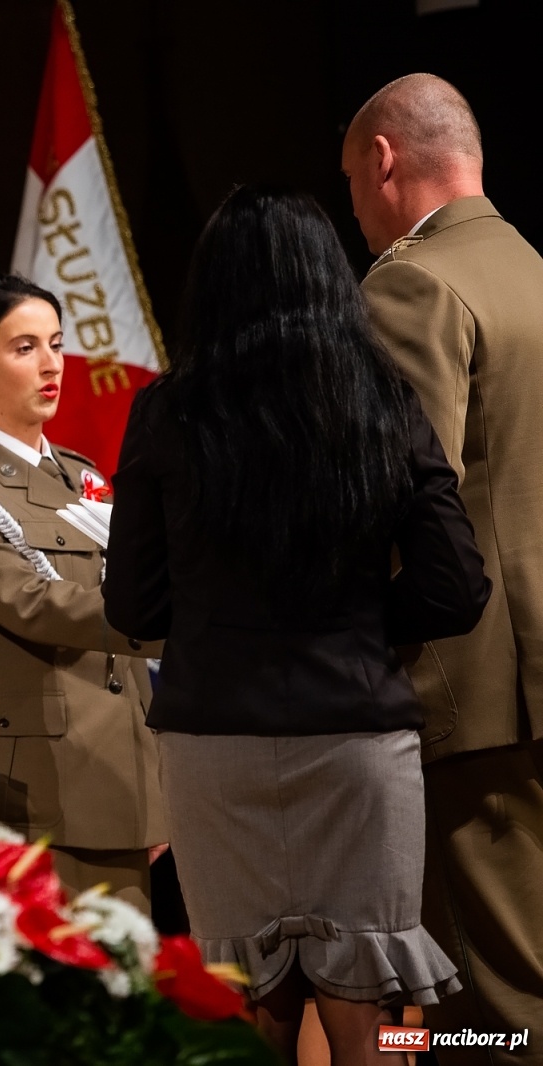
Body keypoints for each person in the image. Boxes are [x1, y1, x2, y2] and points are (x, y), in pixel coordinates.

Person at [104, 186, 488, 1065]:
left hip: (215, 746)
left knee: (254, 1009)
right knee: (368, 1013)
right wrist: (362, 624)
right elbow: (457, 587)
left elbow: (132, 606)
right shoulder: (382, 401)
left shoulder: (168, 410)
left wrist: (216, 622)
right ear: (330, 281)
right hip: (358, 738)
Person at [343, 74, 543, 1058]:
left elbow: (406, 503)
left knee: (489, 1008)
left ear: (382, 161)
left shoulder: (410, 283)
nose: (354, 209)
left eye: (350, 183)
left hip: (477, 692)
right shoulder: (529, 266)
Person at [0, 273, 164, 912]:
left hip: (123, 771)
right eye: (25, 348)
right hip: (39, 782)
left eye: (55, 343)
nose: (52, 365)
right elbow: (30, 602)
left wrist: (154, 782)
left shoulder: (82, 476)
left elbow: (127, 654)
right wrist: (172, 620)